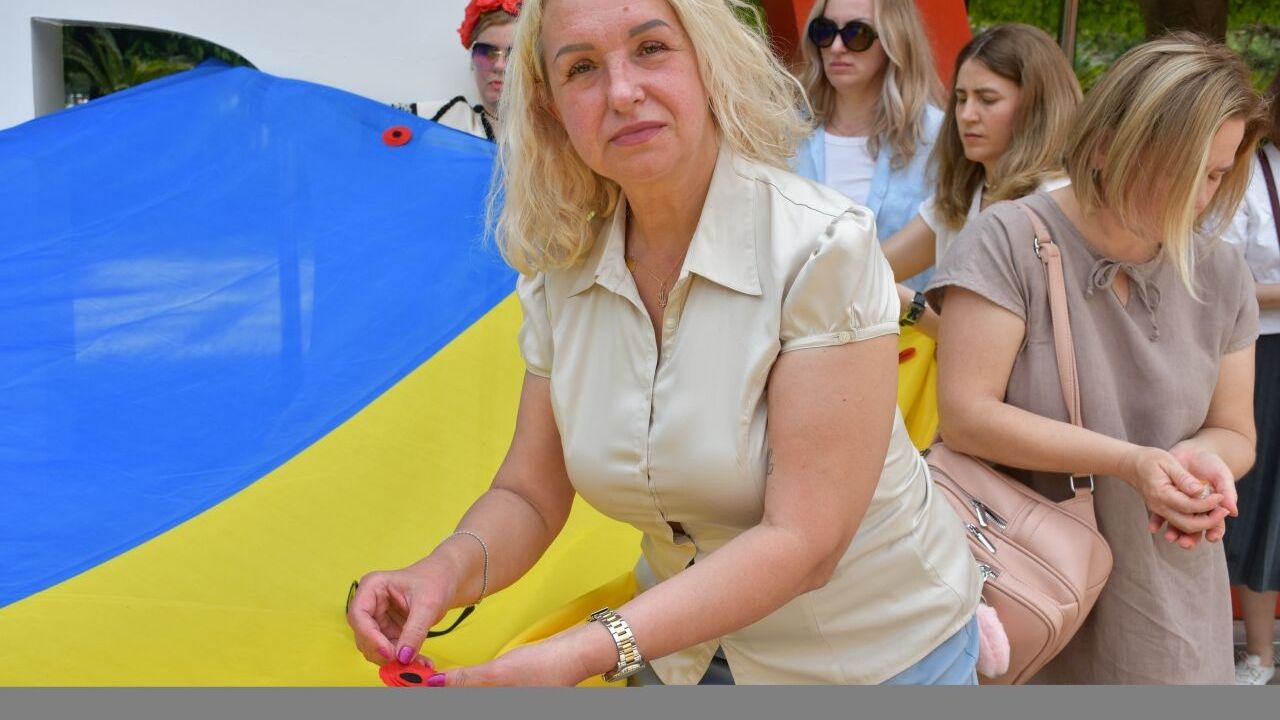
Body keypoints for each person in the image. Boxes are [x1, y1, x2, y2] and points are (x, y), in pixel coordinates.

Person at [347, 0, 981, 686]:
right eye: (581, 68)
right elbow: (529, 494)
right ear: (551, 108)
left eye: (651, 49)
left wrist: (582, 653)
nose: (621, 92)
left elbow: (804, 541)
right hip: (681, 651)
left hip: (876, 658)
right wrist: (438, 575)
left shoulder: (822, 248)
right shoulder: (564, 272)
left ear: (710, 65)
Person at [928, 33, 1269, 684]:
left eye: (1218, 175)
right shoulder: (1009, 240)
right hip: (1020, 589)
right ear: (1109, 144)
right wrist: (1131, 462)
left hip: (1167, 597)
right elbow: (967, 417)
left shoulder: (1222, 270)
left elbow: (1235, 432)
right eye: (1186, 170)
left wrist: (1200, 465)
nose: (1202, 198)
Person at [880, 23, 1082, 338]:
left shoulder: (1058, 203)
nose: (967, 115)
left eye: (987, 99)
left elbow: (1012, 344)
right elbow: (869, 269)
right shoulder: (962, 196)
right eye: (961, 98)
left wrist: (914, 306)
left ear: (1037, 108)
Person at [792, 0, 943, 294]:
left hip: (905, 322)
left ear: (894, 40)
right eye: (824, 31)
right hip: (796, 321)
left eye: (856, 33)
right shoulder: (784, 132)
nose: (837, 47)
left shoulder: (938, 137)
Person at [1223, 67, 1280, 686]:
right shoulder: (1247, 172)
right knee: (1261, 497)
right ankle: (1258, 653)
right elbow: (1223, 279)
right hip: (1263, 353)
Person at [402, 1, 522, 141]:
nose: (499, 66)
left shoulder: (544, 134)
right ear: (472, 61)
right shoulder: (442, 120)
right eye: (486, 52)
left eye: (514, 55)